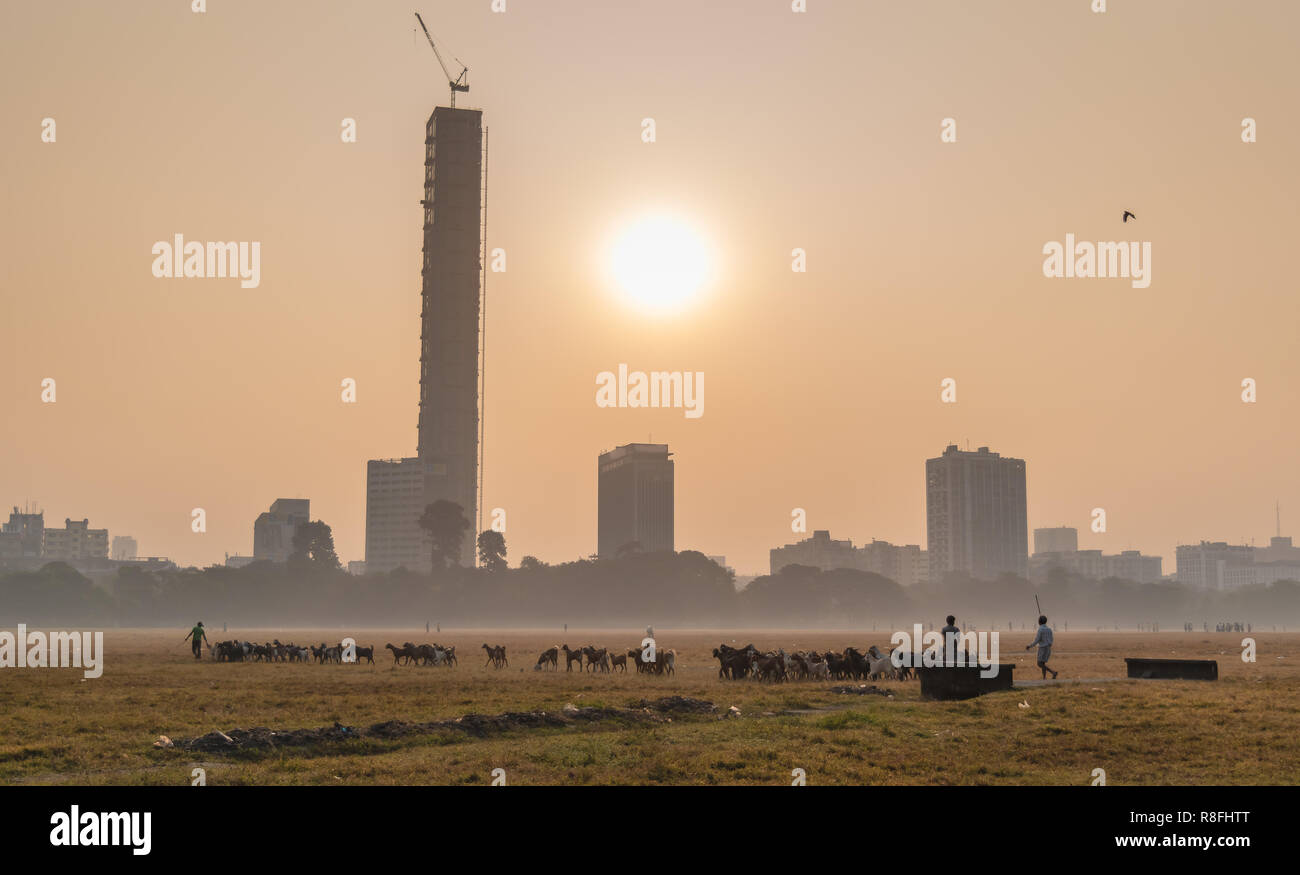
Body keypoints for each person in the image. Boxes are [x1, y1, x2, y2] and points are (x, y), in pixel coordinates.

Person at [1026, 615, 1057, 679]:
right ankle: (1044, 677)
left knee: (1039, 664)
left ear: (1039, 622)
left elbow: (1036, 640)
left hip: (1042, 648)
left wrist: (1029, 646)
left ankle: (1053, 672)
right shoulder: (1049, 629)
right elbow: (1052, 639)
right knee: (1043, 663)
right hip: (1048, 648)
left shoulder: (1040, 629)